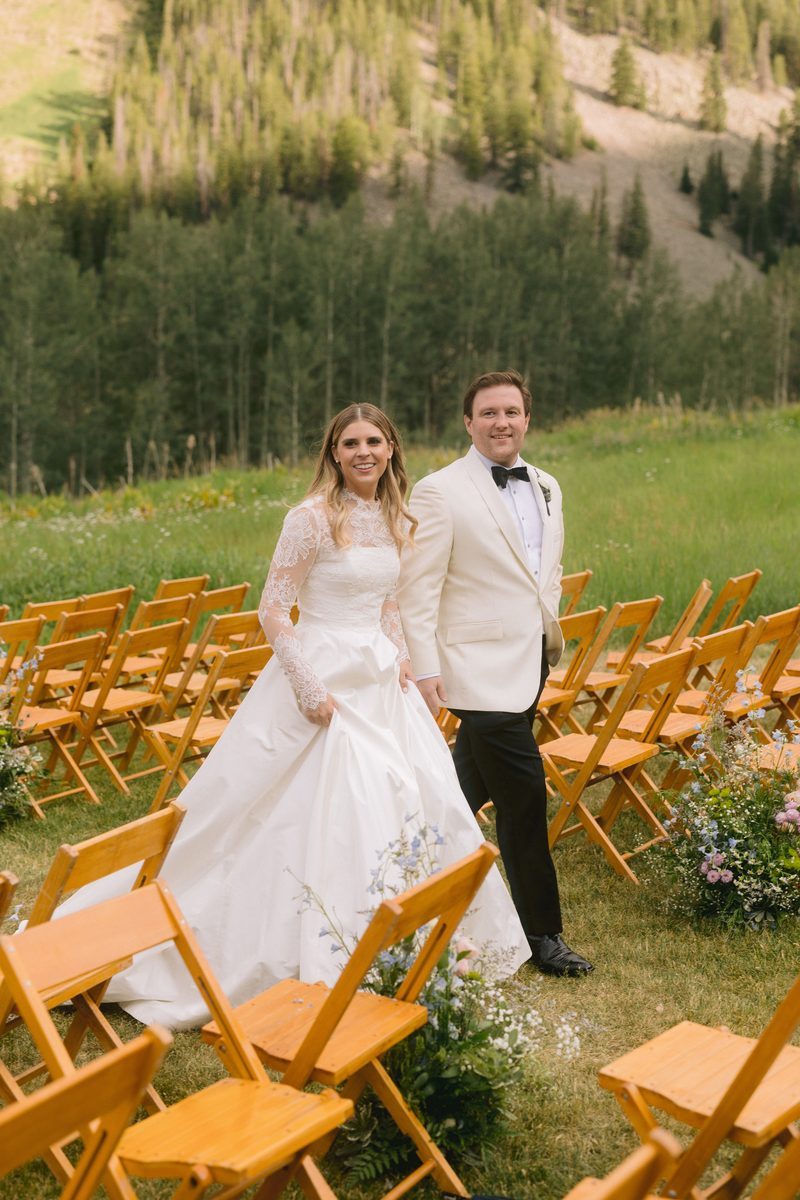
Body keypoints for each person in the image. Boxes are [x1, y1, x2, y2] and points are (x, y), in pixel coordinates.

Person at [55, 403, 529, 1029]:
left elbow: (387, 602)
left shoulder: (392, 514)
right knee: (329, 802)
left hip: (380, 677)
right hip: (323, 673)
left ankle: (410, 942)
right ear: (334, 452)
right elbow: (274, 611)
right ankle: (321, 944)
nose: (364, 453)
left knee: (415, 795)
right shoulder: (309, 518)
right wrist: (309, 688)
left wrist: (406, 665)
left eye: (375, 442)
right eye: (351, 443)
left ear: (392, 449)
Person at [396, 371, 593, 977]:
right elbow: (417, 589)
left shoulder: (548, 485)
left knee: (458, 793)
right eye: (488, 413)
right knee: (524, 798)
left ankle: (396, 872)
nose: (500, 422)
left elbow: (546, 571)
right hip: (473, 669)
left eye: (511, 412)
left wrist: (545, 631)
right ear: (468, 422)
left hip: (529, 661)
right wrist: (426, 667)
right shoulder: (438, 491)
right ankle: (543, 934)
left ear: (527, 419)